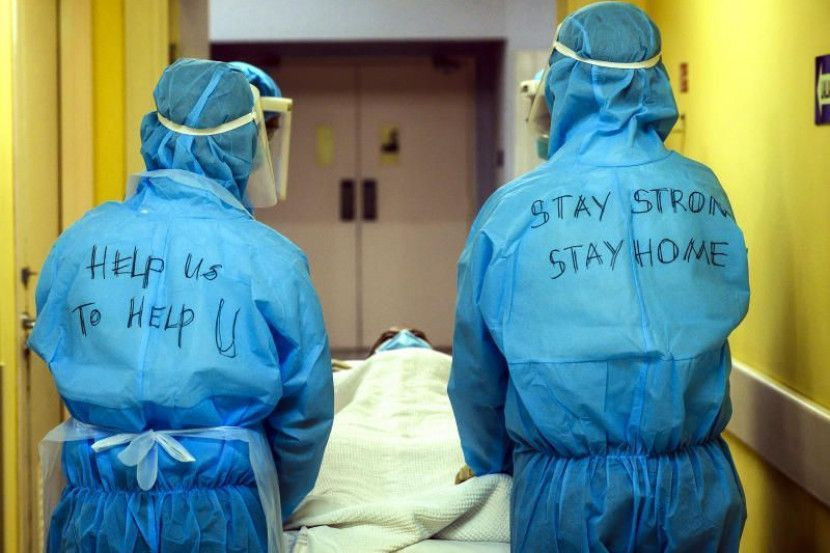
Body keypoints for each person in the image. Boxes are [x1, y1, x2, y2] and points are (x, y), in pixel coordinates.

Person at [448, 3, 750, 552]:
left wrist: (489, 466)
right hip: (695, 491)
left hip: (567, 500)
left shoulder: (513, 211)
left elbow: (477, 372)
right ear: (656, 83)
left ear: (560, 83)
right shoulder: (703, 191)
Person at [30, 58, 334, 552]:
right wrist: (271, 496)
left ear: (152, 132)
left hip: (96, 510)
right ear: (246, 145)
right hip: (221, 516)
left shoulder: (80, 243)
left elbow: (55, 345)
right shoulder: (270, 258)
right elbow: (304, 416)